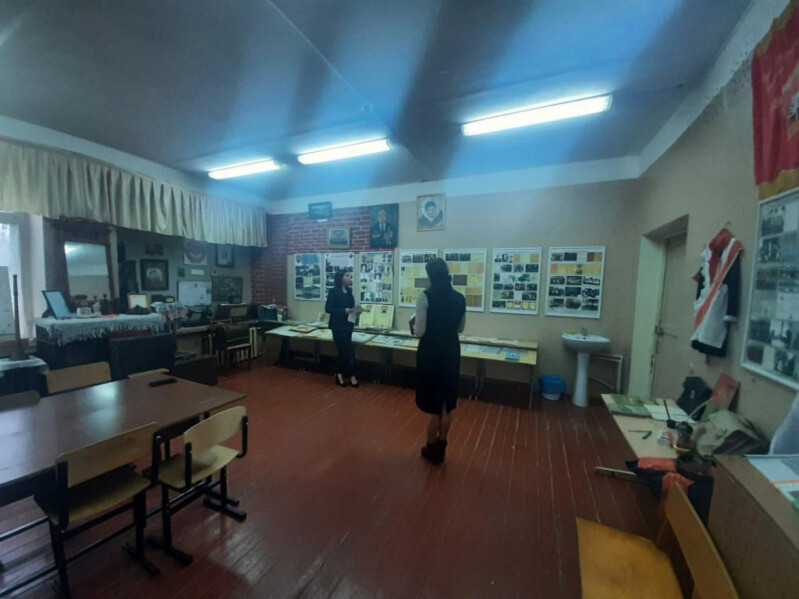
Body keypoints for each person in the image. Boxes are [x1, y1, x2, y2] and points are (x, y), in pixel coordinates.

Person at [412, 258, 466, 465]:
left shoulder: (424, 297)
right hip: (451, 351)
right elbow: (460, 328)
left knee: (433, 405)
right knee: (446, 404)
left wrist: (414, 328)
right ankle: (442, 446)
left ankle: (430, 447)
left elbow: (420, 331)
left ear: (430, 276)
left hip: (430, 352)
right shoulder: (460, 298)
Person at [325, 271, 363, 387]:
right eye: (347, 276)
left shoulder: (349, 291)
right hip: (337, 326)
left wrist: (356, 311)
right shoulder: (333, 291)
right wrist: (343, 310)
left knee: (344, 352)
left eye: (350, 276)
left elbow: (351, 308)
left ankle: (340, 374)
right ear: (341, 278)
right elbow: (328, 309)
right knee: (346, 351)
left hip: (348, 325)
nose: (350, 278)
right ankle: (351, 375)